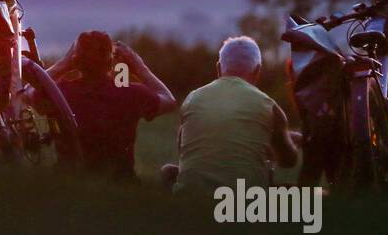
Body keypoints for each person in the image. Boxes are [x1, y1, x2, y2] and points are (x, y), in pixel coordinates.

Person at [168, 36, 300, 194]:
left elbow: (184, 152)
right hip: (245, 199)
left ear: (218, 68)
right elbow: (288, 161)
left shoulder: (192, 98)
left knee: (168, 172)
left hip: (192, 194)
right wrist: (293, 141)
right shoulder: (269, 106)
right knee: (310, 193)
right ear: (258, 70)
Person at [45, 31, 178, 180]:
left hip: (68, 181)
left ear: (76, 62)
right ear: (110, 63)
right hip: (120, 181)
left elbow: (26, 92)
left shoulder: (60, 92)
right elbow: (169, 101)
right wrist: (140, 68)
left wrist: (63, 64)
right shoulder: (131, 93)